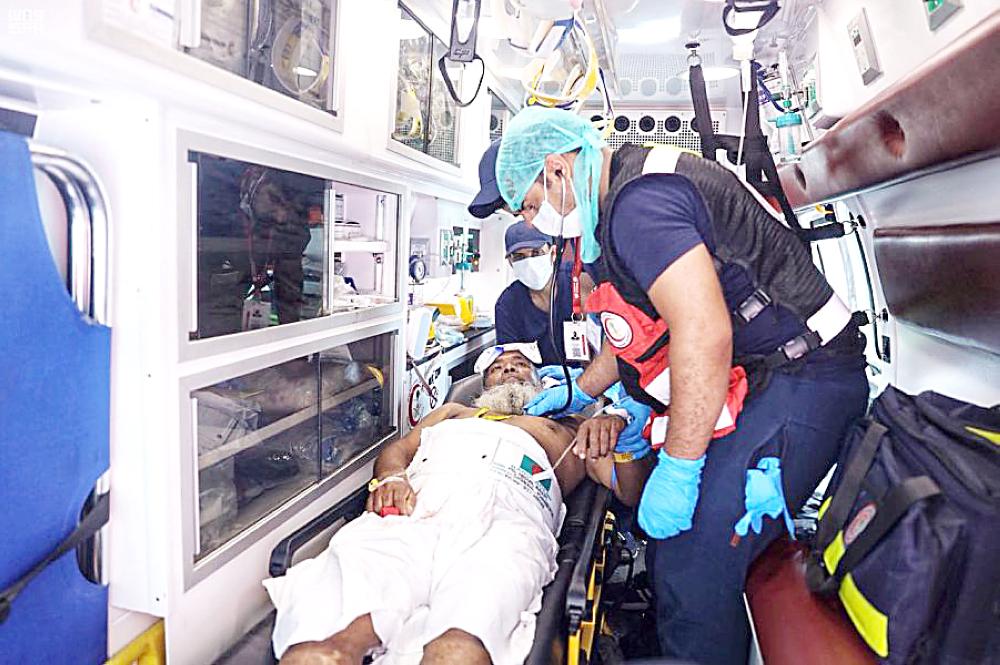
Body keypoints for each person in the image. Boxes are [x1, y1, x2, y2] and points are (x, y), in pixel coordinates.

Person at [492, 107, 869, 664]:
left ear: (556, 169)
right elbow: (638, 330)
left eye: (528, 204)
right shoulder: (618, 204)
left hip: (805, 377)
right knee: (675, 551)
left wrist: (681, 465)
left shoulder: (639, 207)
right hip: (766, 375)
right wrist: (582, 392)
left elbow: (703, 331)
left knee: (693, 558)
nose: (535, 220)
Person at [266, 342, 653, 665]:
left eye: (520, 365)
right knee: (323, 646)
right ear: (483, 385)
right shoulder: (453, 413)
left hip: (507, 518)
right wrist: (392, 477)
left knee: (458, 650)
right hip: (413, 507)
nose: (508, 369)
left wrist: (624, 440)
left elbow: (629, 493)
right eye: (497, 368)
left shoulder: (570, 426)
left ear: (541, 380)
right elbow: (398, 451)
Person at [470, 142, 593, 366]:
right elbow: (510, 364)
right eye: (519, 257)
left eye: (528, 206)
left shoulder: (581, 279)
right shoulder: (509, 304)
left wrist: (590, 381)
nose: (527, 217)